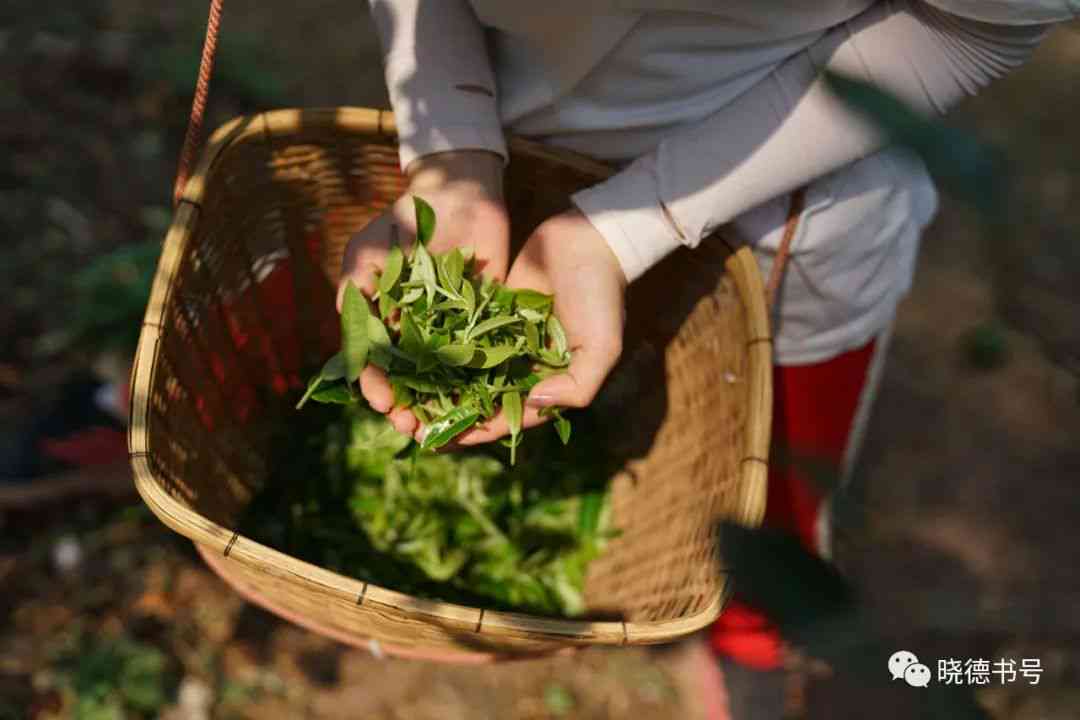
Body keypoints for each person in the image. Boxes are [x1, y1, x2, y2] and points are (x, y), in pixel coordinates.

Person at [342, 1, 1073, 716]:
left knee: (769, 493)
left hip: (776, 190)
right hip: (499, 137)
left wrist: (629, 227)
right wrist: (453, 153)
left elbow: (967, 22)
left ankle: (751, 652)